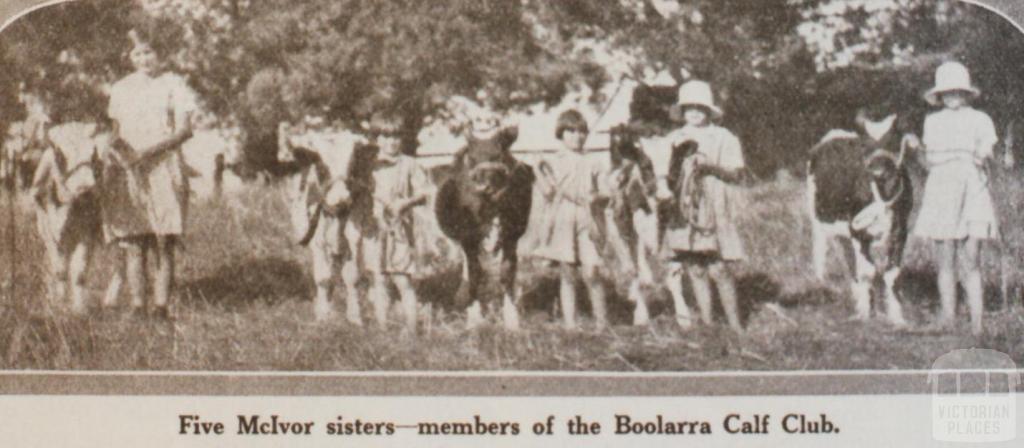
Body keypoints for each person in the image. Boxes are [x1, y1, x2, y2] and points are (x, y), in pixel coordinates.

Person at [101, 28, 198, 319]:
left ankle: (161, 307)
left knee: (164, 240)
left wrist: (149, 152)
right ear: (130, 58)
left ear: (159, 54)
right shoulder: (120, 88)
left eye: (149, 52)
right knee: (133, 241)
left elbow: (185, 130)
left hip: (163, 167)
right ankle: (138, 306)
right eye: (138, 53)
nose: (144, 59)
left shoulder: (173, 84)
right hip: (129, 170)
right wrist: (117, 153)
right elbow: (115, 132)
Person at [914, 61, 999, 335]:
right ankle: (949, 318)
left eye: (957, 91)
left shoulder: (980, 119)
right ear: (939, 96)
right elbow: (929, 160)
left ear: (966, 93)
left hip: (972, 188)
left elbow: (987, 151)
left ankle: (977, 324)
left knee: (971, 257)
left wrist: (984, 155)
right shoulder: (932, 121)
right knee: (945, 258)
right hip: (941, 187)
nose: (953, 97)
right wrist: (918, 152)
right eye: (947, 92)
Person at [655, 80, 745, 333]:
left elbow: (736, 173)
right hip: (685, 208)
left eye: (700, 107)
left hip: (714, 204)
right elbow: (663, 175)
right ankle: (708, 324)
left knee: (719, 267)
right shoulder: (673, 139)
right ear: (682, 111)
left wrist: (709, 167)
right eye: (689, 107)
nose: (694, 112)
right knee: (694, 266)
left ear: (709, 110)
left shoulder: (723, 137)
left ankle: (736, 325)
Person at [346, 115, 433, 334]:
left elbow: (425, 192)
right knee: (378, 280)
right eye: (386, 136)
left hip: (399, 231)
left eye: (396, 136)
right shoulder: (368, 166)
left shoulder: (409, 164)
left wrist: (406, 202)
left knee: (403, 281)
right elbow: (354, 188)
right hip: (374, 230)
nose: (392, 142)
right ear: (376, 139)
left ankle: (412, 330)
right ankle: (382, 330)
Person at [532, 109, 610, 331]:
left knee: (592, 271)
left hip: (588, 218)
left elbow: (607, 192)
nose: (577, 136)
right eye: (570, 131)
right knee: (567, 272)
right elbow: (547, 192)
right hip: (563, 218)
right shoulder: (553, 161)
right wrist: (538, 170)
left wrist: (595, 196)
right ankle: (570, 325)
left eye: (581, 131)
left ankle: (602, 325)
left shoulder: (594, 161)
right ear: (561, 133)